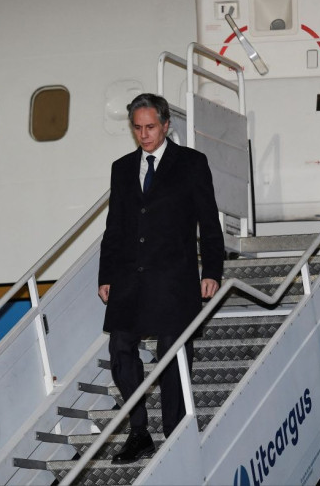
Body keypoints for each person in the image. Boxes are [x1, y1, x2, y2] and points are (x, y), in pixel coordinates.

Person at [98, 93, 224, 464]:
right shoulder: (122, 168)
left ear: (166, 125)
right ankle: (139, 433)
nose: (144, 135)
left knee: (172, 354)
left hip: (173, 277)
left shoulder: (191, 163)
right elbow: (115, 227)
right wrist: (106, 274)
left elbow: (208, 220)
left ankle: (174, 435)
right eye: (137, 128)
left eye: (150, 127)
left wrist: (212, 270)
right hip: (129, 278)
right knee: (120, 350)